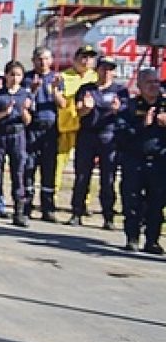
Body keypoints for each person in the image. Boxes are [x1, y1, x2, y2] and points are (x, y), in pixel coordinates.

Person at [68, 55, 126, 228]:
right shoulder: (87, 89)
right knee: (82, 176)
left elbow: (125, 113)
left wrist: (117, 110)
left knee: (107, 178)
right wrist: (86, 107)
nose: (107, 72)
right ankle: (77, 212)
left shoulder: (120, 91)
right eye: (103, 68)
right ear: (97, 70)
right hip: (87, 135)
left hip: (109, 136)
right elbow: (79, 111)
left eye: (110, 69)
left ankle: (108, 216)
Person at [115, 68, 166, 254]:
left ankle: (152, 240)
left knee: (157, 203)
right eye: (149, 82)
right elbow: (120, 134)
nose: (154, 86)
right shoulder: (129, 106)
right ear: (140, 86)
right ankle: (132, 237)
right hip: (134, 160)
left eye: (156, 82)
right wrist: (142, 125)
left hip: (160, 162)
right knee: (132, 202)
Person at [0, 61, 33, 226]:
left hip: (17, 134)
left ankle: (18, 211)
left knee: (18, 172)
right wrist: (4, 113)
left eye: (18, 75)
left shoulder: (25, 94)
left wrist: (23, 111)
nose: (15, 78)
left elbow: (28, 120)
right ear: (6, 75)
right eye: (12, 74)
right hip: (0, 134)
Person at [23, 47, 67, 221]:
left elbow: (62, 104)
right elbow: (23, 103)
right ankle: (26, 205)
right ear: (33, 60)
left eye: (46, 59)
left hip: (49, 129)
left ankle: (48, 207)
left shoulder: (56, 78)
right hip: (31, 127)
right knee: (28, 167)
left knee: (49, 169)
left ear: (51, 60)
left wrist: (54, 90)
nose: (43, 63)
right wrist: (32, 91)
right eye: (39, 59)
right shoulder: (26, 78)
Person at [55, 45, 99, 219]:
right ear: (75, 58)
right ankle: (53, 197)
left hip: (87, 129)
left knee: (84, 170)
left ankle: (84, 203)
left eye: (90, 57)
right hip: (66, 126)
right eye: (83, 56)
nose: (86, 60)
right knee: (59, 165)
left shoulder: (95, 77)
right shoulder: (65, 76)